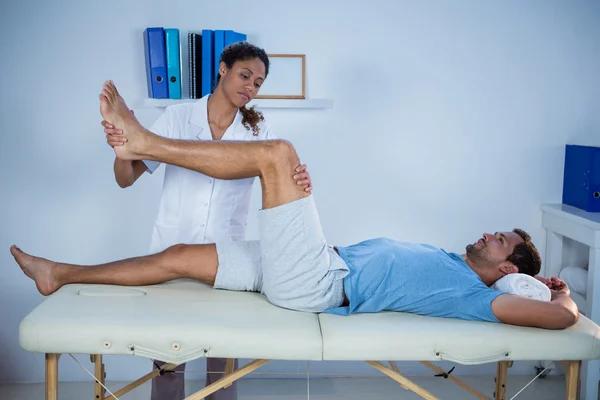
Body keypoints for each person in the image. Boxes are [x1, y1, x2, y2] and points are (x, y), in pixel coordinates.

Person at [11, 80, 579, 333]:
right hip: (311, 263)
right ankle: (59, 273)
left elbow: (558, 319)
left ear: (507, 268)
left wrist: (563, 293)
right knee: (180, 254)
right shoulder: (452, 264)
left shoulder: (478, 298)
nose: (488, 235)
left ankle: (143, 142)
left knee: (277, 152)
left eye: (500, 240)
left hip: (318, 283)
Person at [99, 42, 312, 400]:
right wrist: (122, 149)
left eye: (258, 83)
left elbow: (280, 188)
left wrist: (299, 180)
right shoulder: (178, 116)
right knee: (168, 361)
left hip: (225, 259)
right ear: (223, 69)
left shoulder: (259, 132)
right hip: (170, 251)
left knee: (223, 368)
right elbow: (125, 178)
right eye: (245, 75)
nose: (250, 87)